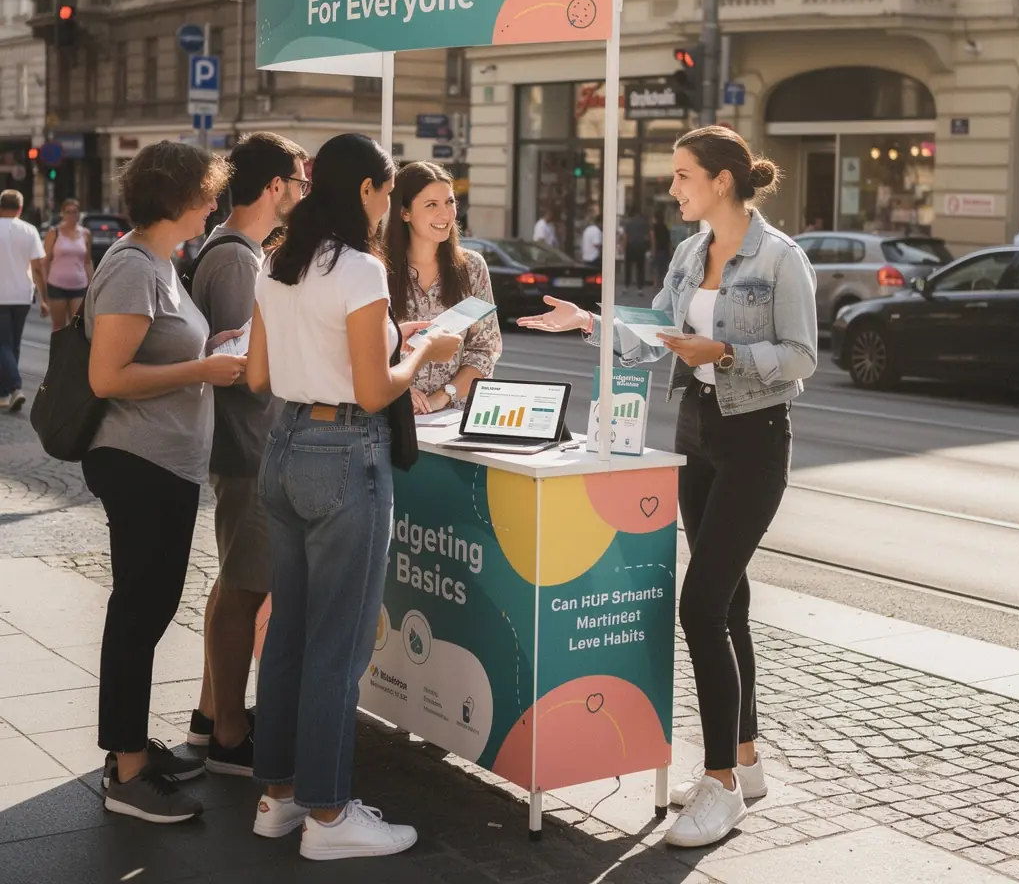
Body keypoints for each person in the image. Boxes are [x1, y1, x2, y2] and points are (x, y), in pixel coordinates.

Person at [517, 125, 817, 849]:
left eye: (683, 175)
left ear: (721, 180)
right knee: (731, 602)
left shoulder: (780, 258)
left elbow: (803, 355)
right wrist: (590, 321)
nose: (673, 187)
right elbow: (652, 333)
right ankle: (743, 760)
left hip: (754, 439)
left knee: (701, 605)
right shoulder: (689, 253)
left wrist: (727, 352)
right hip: (696, 433)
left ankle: (717, 784)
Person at [245, 134, 461, 860]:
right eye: (385, 190)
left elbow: (255, 376)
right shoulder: (361, 269)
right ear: (368, 192)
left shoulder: (278, 263)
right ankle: (331, 819)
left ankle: (276, 797)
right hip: (345, 454)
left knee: (291, 637)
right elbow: (375, 389)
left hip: (284, 447)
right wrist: (420, 356)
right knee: (337, 648)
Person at [82, 142, 247, 823]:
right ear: (175, 198)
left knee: (146, 611)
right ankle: (126, 774)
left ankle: (131, 751)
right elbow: (107, 377)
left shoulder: (161, 262)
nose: (214, 205)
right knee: (139, 614)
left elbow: (164, 348)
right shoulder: (132, 267)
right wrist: (198, 372)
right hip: (139, 460)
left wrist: (211, 348)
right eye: (207, 193)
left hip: (165, 462)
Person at [186, 132, 309, 777]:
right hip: (249, 446)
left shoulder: (243, 251)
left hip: (244, 444)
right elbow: (243, 364)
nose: (303, 192)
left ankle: (212, 715)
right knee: (244, 589)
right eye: (299, 181)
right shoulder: (237, 259)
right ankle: (232, 735)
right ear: (274, 188)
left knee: (234, 581)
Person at [385, 161, 501, 414]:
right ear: (404, 212)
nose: (445, 214)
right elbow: (360, 350)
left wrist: (442, 397)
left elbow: (485, 349)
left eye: (450, 202)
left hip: (453, 417)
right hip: (391, 414)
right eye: (431, 205)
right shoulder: (377, 269)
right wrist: (398, 389)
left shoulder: (472, 267)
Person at [0, 189, 48, 413]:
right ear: (20, 208)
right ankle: (4, 393)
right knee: (13, 345)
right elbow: (38, 268)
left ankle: (15, 387)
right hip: (22, 295)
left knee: (3, 345)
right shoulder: (29, 231)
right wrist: (44, 298)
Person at [43, 198, 93, 331]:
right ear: (62, 214)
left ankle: (72, 352)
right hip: (57, 285)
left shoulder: (85, 234)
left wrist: (92, 285)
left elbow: (87, 261)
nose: (72, 215)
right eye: (68, 212)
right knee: (59, 327)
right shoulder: (54, 233)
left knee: (76, 327)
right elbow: (46, 261)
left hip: (78, 285)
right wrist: (44, 287)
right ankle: (58, 352)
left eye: (74, 212)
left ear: (79, 214)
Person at [623, 205, 649, 290]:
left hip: (631, 246)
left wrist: (624, 247)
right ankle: (640, 288)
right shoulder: (644, 222)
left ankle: (627, 286)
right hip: (641, 246)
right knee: (640, 267)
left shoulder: (629, 223)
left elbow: (626, 236)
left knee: (628, 267)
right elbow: (648, 236)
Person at [650, 207, 672, 286]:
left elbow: (653, 241)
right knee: (663, 269)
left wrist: (653, 252)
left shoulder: (654, 228)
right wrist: (670, 252)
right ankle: (662, 284)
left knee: (656, 268)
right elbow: (669, 241)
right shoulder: (665, 228)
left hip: (658, 250)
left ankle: (655, 284)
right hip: (665, 251)